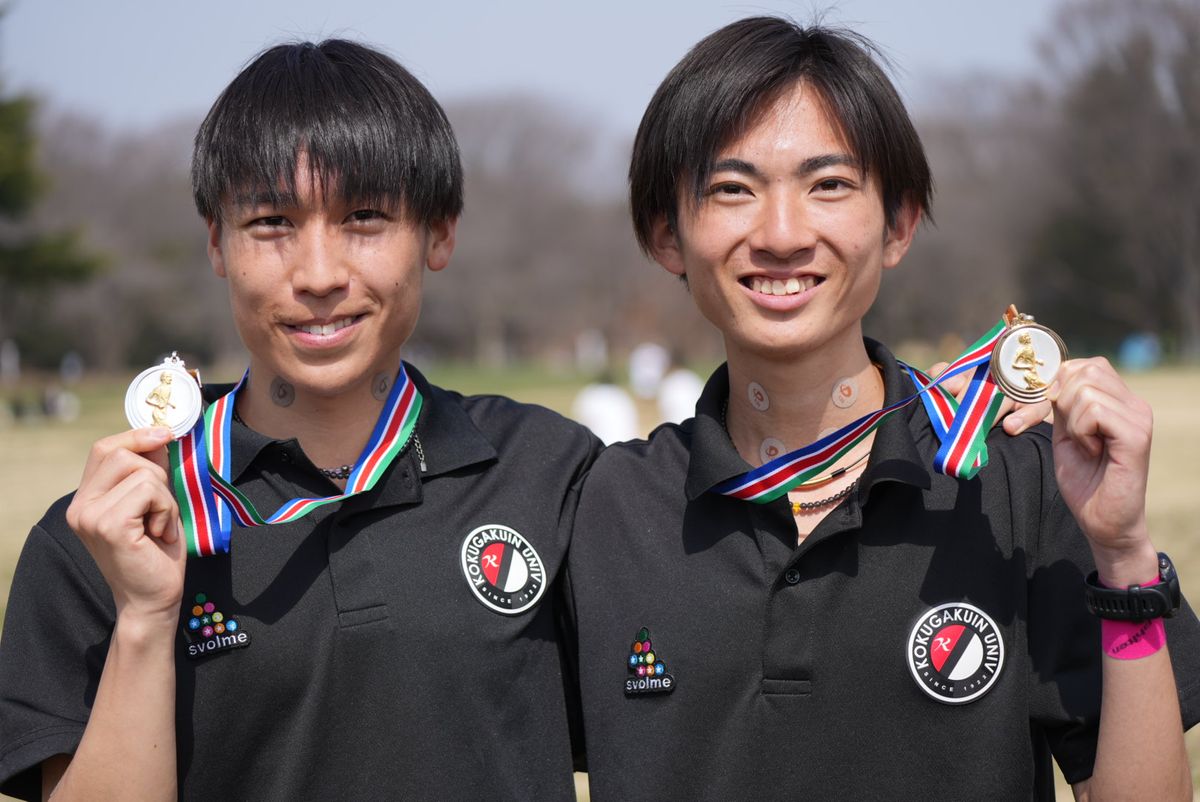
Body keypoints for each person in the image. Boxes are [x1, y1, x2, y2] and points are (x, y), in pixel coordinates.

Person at [566, 17, 1200, 800]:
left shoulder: (1022, 484)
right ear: (667, 234)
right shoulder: (605, 509)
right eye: (733, 189)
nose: (783, 234)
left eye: (828, 184)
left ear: (898, 224)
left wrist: (1126, 558)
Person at [0, 40, 600, 800]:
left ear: (440, 232)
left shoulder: (552, 473)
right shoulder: (102, 535)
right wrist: (146, 619)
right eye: (273, 223)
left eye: (366, 217)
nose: (318, 275)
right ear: (216, 241)